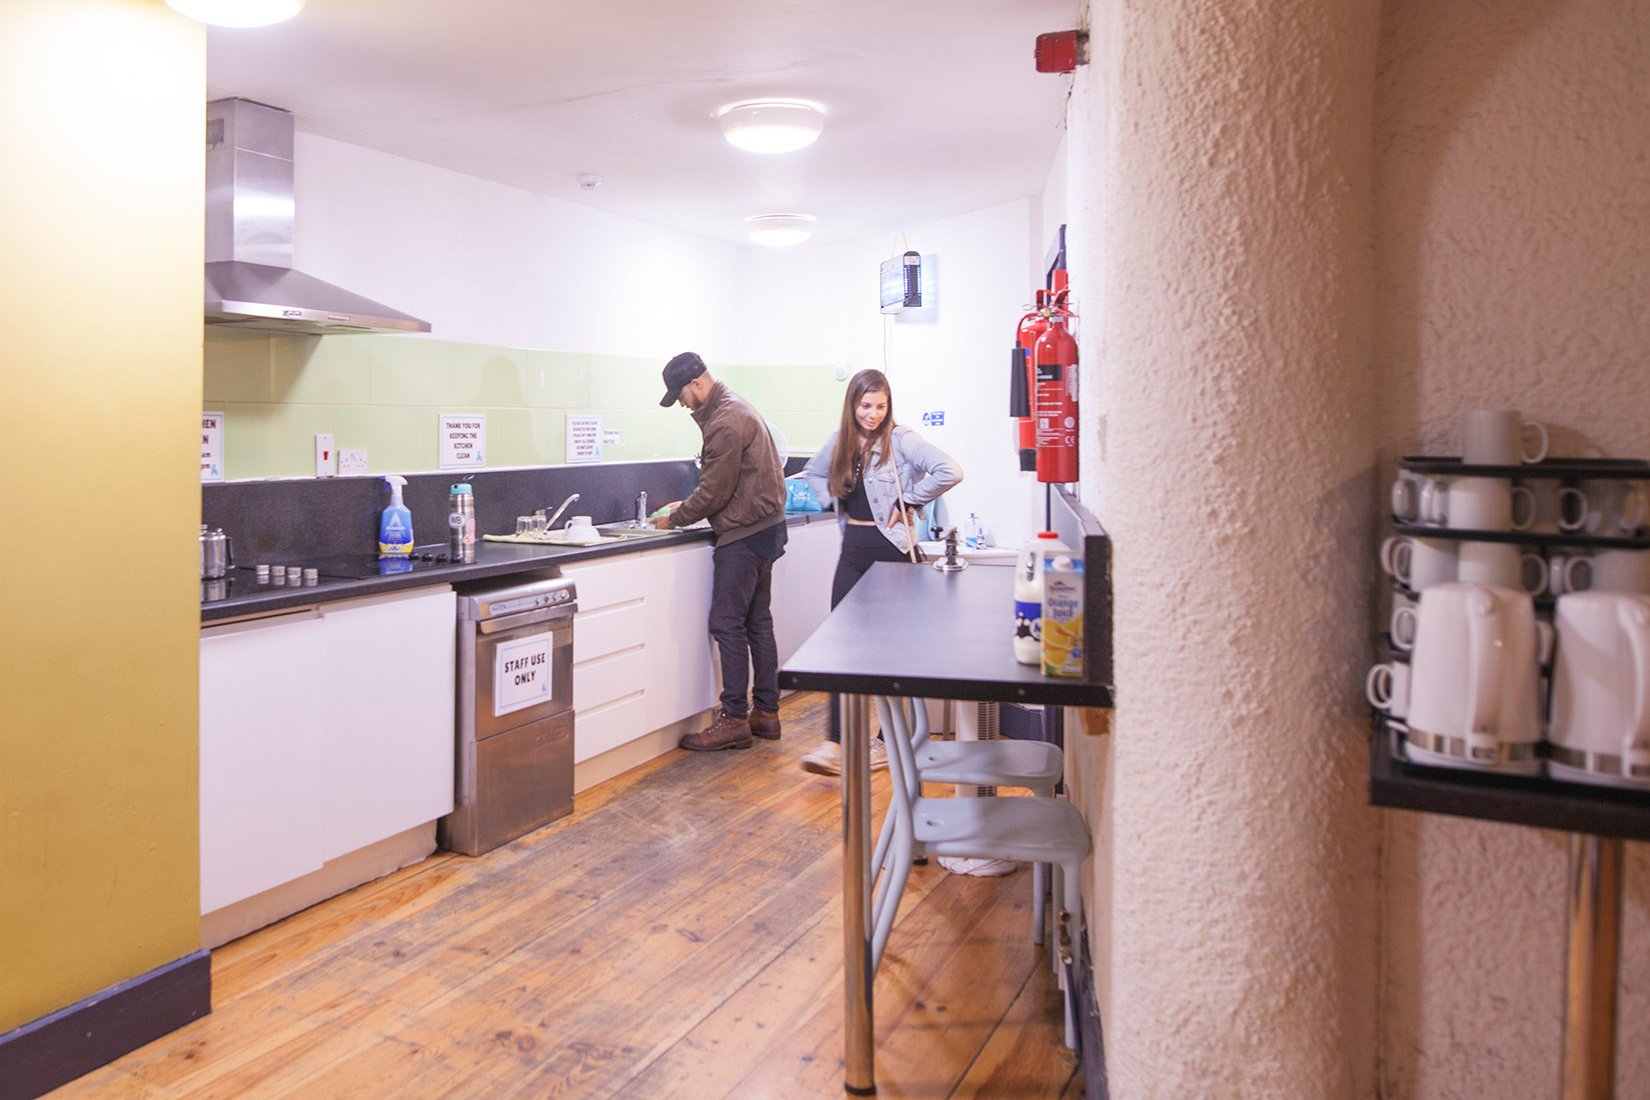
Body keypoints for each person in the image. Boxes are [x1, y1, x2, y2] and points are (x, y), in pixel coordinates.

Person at [797, 368, 962, 776]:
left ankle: (888, 742)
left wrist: (912, 503)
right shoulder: (840, 442)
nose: (873, 414)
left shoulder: (901, 440)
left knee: (892, 654)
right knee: (838, 646)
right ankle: (833, 745)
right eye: (866, 405)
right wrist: (825, 499)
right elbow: (814, 474)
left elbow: (950, 470)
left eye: (880, 406)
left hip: (892, 555)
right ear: (852, 404)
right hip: (851, 553)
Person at [652, 352, 788, 752]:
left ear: (696, 383)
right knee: (758, 622)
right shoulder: (735, 406)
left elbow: (715, 491)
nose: (680, 403)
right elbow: (723, 482)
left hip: (745, 534)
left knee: (727, 623)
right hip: (767, 528)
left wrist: (674, 519)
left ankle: (733, 719)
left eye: (680, 395)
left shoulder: (724, 421)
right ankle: (766, 713)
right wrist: (688, 506)